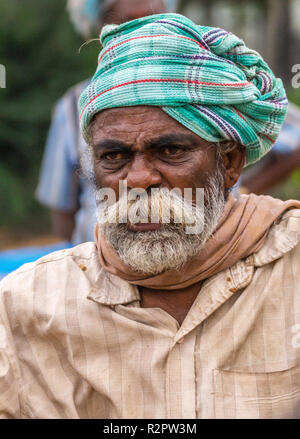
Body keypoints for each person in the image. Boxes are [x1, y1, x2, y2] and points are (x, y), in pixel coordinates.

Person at [1, 13, 300, 419]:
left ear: (229, 163)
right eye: (114, 157)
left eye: (171, 151)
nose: (138, 179)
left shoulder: (291, 275)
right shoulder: (26, 306)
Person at [36, 0, 176, 244]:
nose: (141, 34)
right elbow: (62, 211)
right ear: (102, 30)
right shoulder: (73, 107)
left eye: (152, 21)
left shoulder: (204, 93)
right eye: (126, 24)